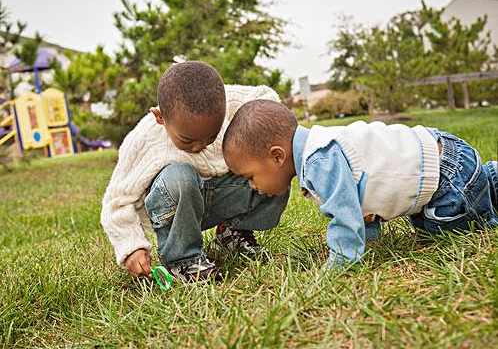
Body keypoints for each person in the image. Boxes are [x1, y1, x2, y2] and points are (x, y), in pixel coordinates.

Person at [222, 100, 498, 267]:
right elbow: (361, 196)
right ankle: (487, 178)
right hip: (445, 154)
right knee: (430, 222)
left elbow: (345, 216)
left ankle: (484, 186)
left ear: (277, 156)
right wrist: (371, 236)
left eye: (250, 177)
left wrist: (341, 262)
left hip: (447, 179)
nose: (253, 187)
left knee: (448, 234)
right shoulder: (321, 146)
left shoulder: (319, 161)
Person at [101, 62, 289, 282]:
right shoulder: (144, 141)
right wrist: (131, 246)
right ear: (160, 117)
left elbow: (266, 100)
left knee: (275, 169)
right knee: (180, 177)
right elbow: (117, 201)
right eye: (188, 140)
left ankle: (233, 233)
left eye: (211, 137)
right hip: (175, 204)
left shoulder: (230, 103)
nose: (200, 147)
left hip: (220, 193)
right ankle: (183, 260)